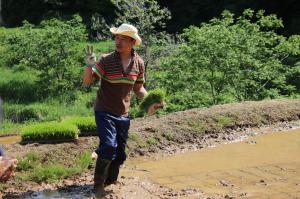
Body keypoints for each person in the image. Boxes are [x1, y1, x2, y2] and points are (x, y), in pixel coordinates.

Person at [83, 23, 161, 196]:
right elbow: (88, 82)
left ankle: (110, 181)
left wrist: (150, 102)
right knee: (109, 145)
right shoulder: (106, 59)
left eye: (123, 39)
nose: (118, 42)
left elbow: (139, 88)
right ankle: (97, 185)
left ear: (132, 42)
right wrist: (89, 65)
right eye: (117, 37)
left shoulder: (138, 63)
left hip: (123, 114)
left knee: (119, 154)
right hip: (104, 111)